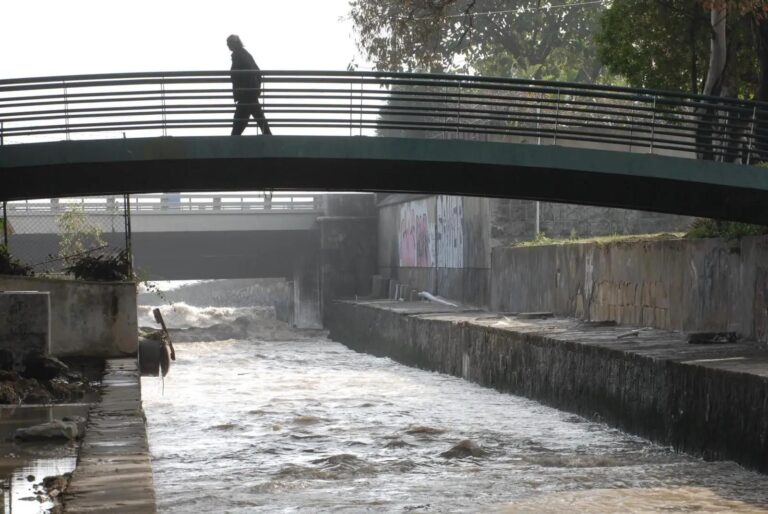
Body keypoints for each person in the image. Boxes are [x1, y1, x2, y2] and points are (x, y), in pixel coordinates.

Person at [227, 35, 272, 136]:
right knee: (256, 119)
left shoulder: (238, 55)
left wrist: (243, 89)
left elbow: (237, 75)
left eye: (229, 43)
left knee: (239, 123)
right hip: (250, 93)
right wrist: (255, 89)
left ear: (234, 43)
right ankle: (270, 140)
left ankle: (232, 146)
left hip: (245, 95)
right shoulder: (245, 54)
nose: (228, 45)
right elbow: (258, 73)